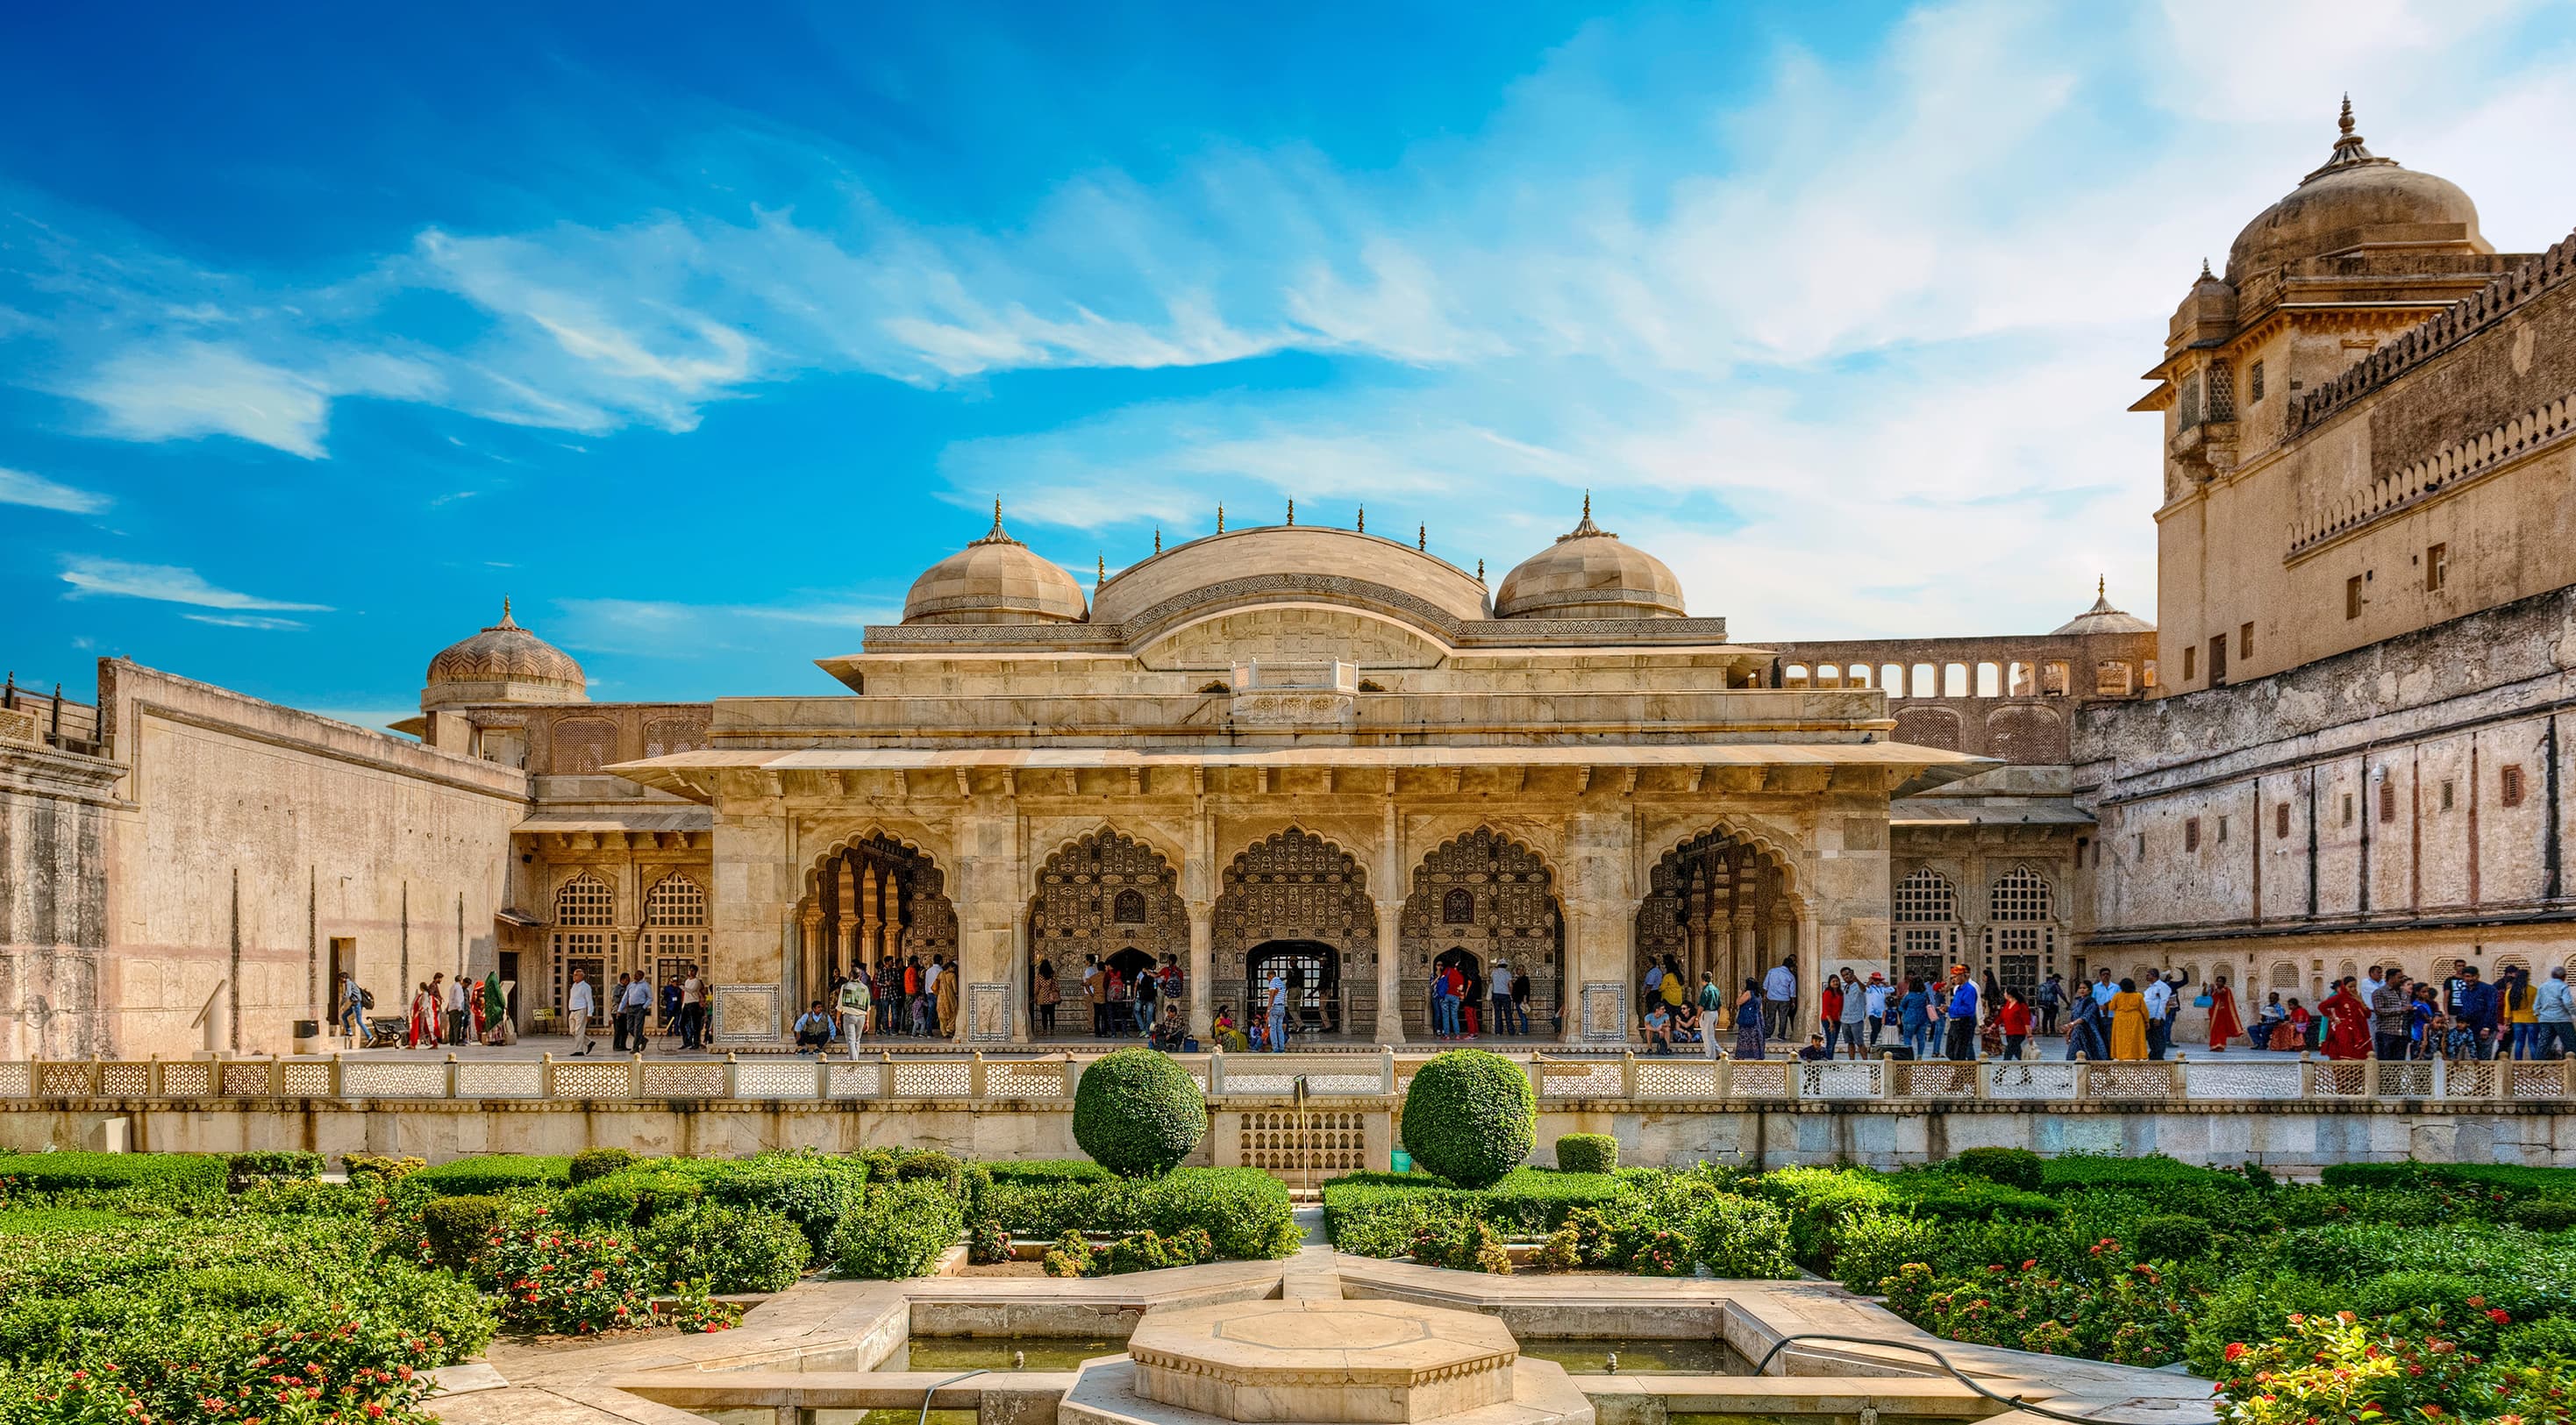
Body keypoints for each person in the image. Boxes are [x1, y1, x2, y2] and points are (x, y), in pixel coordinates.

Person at [2320, 977, 2373, 1059]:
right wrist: (2332, 1018)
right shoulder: (2339, 997)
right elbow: (2322, 1006)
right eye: (2350, 987)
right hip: (2345, 1030)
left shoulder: (2356, 998)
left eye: (2355, 986)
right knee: (2346, 1053)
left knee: (2361, 1055)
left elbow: (2368, 1015)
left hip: (2360, 1030)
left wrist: (2361, 1001)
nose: (2353, 989)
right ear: (2344, 987)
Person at [2456, 965, 2497, 1059]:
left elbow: (2491, 1009)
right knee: (2473, 1057)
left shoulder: (2488, 989)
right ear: (2463, 977)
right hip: (2471, 1030)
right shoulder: (2464, 993)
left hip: (2486, 1029)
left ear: (2477, 976)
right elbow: (2465, 1011)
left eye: (2473, 976)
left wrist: (2486, 1028)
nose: (2470, 979)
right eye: (2467, 976)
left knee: (2484, 1058)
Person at [2372, 971, 2414, 1061]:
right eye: (2399, 977)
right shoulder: (2379, 992)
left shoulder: (2404, 993)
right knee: (2385, 1064)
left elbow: (2407, 1009)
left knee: (2398, 1065)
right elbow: (2380, 1011)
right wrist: (2401, 1010)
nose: (2402, 980)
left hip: (2402, 1034)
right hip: (2386, 1033)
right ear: (2391, 978)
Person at [2535, 965, 2575, 1059]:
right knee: (2571, 1044)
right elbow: (2568, 1002)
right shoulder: (2563, 986)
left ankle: (2537, 1068)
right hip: (2562, 1019)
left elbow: (2537, 1004)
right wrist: (2574, 1012)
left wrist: (2539, 1014)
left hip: (2545, 1020)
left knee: (2543, 1045)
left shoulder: (2542, 987)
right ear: (2564, 976)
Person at [1943, 965, 1980, 1061]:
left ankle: (1964, 1073)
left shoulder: (1969, 990)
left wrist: (1950, 1009)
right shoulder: (1958, 989)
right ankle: (1961, 1072)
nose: (1953, 980)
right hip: (1954, 1023)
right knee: (1950, 1051)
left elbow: (1968, 1009)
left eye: (1955, 977)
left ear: (1962, 976)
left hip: (1963, 1023)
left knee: (1960, 1052)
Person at [2108, 978, 2149, 1060]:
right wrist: (2146, 1021)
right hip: (2135, 1018)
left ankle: (2121, 1055)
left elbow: (2111, 1007)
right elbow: (2144, 1010)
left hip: (2120, 1019)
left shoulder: (2117, 996)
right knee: (2135, 1038)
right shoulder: (2138, 996)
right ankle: (2136, 1055)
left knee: (2121, 1038)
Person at [2064, 980, 2107, 1060]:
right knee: (2074, 1053)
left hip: (2089, 1032)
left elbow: (2085, 1017)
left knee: (2091, 1054)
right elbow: (2074, 1016)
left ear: (2089, 990)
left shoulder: (2091, 1002)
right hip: (2077, 1031)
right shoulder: (2078, 1002)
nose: (2082, 990)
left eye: (2084, 988)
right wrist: (2069, 1031)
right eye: (2080, 988)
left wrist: (2071, 1025)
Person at [2504, 965, 2538, 1060]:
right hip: (2533, 1020)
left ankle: (2518, 1065)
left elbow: (2507, 1009)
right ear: (2527, 978)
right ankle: (2536, 1066)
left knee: (2519, 1043)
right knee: (2533, 1043)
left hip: (2517, 1021)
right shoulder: (2534, 990)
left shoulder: (2510, 991)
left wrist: (2506, 1023)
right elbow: (2538, 1006)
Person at [837, 967, 872, 1056]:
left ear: (851, 975)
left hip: (849, 1016)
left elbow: (840, 1005)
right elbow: (867, 1007)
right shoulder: (865, 988)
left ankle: (854, 1064)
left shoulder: (845, 987)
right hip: (861, 1017)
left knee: (851, 1041)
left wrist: (838, 1019)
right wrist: (867, 1021)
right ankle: (856, 1062)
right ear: (860, 976)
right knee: (857, 1040)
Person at [2206, 973, 2244, 1052]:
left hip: (2222, 1014)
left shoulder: (2226, 989)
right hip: (2213, 1014)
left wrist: (2214, 988)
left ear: (2224, 983)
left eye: (2220, 981)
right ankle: (2214, 1046)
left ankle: (2221, 1045)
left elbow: (2220, 992)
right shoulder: (2213, 990)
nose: (2218, 983)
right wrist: (2205, 987)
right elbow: (2205, 995)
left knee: (2221, 1030)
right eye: (2217, 981)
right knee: (2214, 1030)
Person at [1732, 977, 1767, 1060]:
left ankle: (1741, 1055)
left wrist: (1741, 993)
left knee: (1744, 1037)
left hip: (1748, 1019)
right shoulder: (1758, 994)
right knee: (1755, 1038)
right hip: (1757, 1019)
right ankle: (1757, 1055)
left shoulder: (1748, 993)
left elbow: (1738, 1002)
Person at [2141, 970, 2173, 1059]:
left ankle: (2158, 1056)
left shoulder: (2162, 987)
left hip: (2156, 1017)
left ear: (2154, 975)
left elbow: (2163, 1002)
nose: (2146, 977)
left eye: (2148, 975)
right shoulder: (2150, 987)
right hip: (2149, 1016)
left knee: (2158, 1037)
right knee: (2151, 1038)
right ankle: (2153, 1056)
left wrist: (2158, 1017)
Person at [1763, 958, 1797, 1040]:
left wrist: (1765, 995)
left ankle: (1768, 1034)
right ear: (1790, 966)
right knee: (1783, 1017)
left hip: (1772, 998)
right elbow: (1792, 991)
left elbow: (1765, 984)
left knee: (1771, 1016)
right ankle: (1781, 1035)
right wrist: (1793, 1002)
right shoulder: (1790, 975)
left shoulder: (1772, 971)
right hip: (1784, 999)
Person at [1898, 976, 1931, 1058]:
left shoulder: (1909, 995)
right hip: (1923, 1018)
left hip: (1910, 1018)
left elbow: (1901, 1006)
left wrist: (1905, 1012)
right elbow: (1930, 1004)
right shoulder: (1925, 994)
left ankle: (1909, 1056)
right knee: (1921, 1038)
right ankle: (1920, 1056)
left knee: (1907, 1037)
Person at [1837, 968, 1867, 1058]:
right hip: (1845, 1019)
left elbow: (1864, 989)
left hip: (1856, 1019)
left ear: (1852, 974)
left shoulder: (1857, 985)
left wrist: (1856, 979)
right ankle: (1852, 1063)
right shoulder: (1845, 987)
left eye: (1847, 974)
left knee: (1860, 1042)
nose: (1846, 977)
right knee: (1850, 1043)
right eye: (1843, 975)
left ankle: (1867, 1064)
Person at [1996, 987, 2031, 1060]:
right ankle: (2025, 1070)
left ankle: (2002, 1070)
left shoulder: (2021, 1006)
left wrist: (2029, 1035)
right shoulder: (2008, 1004)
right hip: (2009, 1033)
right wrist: (1993, 1026)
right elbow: (2001, 1017)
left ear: (2010, 995)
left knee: (2008, 1052)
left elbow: (2026, 1022)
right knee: (2018, 1053)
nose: (2004, 994)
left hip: (2018, 1033)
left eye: (2005, 992)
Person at [567, 967, 596, 1056]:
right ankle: (589, 1042)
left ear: (581, 976)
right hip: (573, 1011)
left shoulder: (586, 987)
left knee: (579, 1031)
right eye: (574, 975)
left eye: (576, 975)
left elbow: (589, 1001)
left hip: (581, 1010)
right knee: (573, 1031)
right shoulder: (574, 986)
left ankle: (579, 1050)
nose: (574, 977)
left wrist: (590, 1013)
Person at [483, 972, 515, 1046]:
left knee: (490, 1024)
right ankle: (498, 1039)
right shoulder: (495, 982)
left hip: (489, 1009)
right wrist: (504, 1004)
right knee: (498, 1024)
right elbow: (499, 995)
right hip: (496, 1008)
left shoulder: (487, 985)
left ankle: (491, 1039)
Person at [1266, 963, 1290, 1052]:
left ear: (1270, 976)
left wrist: (1268, 1009)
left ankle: (1275, 1049)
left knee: (1273, 1029)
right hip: (1282, 1008)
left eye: (1268, 978)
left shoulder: (1273, 981)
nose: (1268, 980)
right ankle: (1282, 1048)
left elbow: (1272, 995)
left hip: (1275, 1007)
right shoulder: (1281, 983)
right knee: (1280, 1029)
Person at [680, 966, 706, 1051]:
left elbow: (691, 991)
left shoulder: (697, 981)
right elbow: (686, 994)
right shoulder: (687, 981)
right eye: (690, 970)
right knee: (682, 1024)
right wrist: (683, 1004)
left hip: (694, 1003)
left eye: (693, 971)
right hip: (687, 1004)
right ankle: (687, 1042)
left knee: (695, 1025)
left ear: (696, 972)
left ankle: (696, 1043)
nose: (691, 972)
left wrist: (682, 987)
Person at [1819, 974, 1845, 1058]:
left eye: (1837, 981)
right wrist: (1831, 1023)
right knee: (1831, 1041)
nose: (1835, 983)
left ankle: (1830, 1059)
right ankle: (1828, 1060)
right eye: (1833, 981)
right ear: (1830, 983)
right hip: (1828, 1020)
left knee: (1833, 1041)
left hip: (1837, 1020)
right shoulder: (1828, 993)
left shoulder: (1840, 993)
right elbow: (1826, 1009)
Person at [935, 953, 959, 1038]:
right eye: (954, 968)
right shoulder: (952, 976)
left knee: (942, 1016)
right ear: (950, 967)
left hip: (941, 997)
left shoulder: (941, 974)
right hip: (949, 997)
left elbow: (935, 986)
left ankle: (944, 1032)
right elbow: (955, 989)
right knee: (953, 1013)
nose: (954, 969)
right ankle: (949, 1029)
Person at [1430, 963, 1457, 1040]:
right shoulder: (1433, 975)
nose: (1440, 966)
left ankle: (1444, 1029)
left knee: (1444, 1014)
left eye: (1441, 965)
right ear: (1435, 966)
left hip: (1444, 996)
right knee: (1437, 1013)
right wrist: (1438, 977)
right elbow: (1431, 984)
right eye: (1438, 965)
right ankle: (1437, 1029)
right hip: (1435, 996)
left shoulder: (1445, 975)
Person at [1864, 972, 1890, 1049]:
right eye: (1875, 980)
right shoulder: (1870, 989)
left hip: (1881, 1012)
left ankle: (1873, 1044)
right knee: (1875, 1028)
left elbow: (1891, 989)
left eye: (1878, 980)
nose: (1877, 982)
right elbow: (1865, 989)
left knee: (1878, 1029)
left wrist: (1884, 983)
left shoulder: (1882, 988)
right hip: (1872, 1012)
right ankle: (1872, 1045)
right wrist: (1869, 982)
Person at [406, 980, 436, 1049]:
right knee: (422, 1029)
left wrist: (418, 1012)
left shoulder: (425, 994)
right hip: (423, 1015)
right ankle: (413, 1043)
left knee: (429, 1028)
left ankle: (434, 1043)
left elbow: (424, 1004)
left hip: (426, 1015)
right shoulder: (423, 994)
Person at [1034, 959, 1060, 1037]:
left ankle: (1045, 1030)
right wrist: (1058, 993)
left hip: (1042, 997)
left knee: (1044, 1015)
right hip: (1051, 997)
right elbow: (1056, 986)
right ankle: (1052, 1030)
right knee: (1052, 1015)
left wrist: (1035, 996)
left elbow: (1037, 987)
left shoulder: (1039, 975)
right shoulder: (1052, 974)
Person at [1134, 958, 1160, 1036]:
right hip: (1151, 998)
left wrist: (1134, 996)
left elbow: (1136, 985)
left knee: (1136, 1011)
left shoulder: (1141, 973)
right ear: (1153, 966)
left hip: (1141, 997)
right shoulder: (1155, 974)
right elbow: (1160, 983)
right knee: (1150, 1015)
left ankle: (1143, 1029)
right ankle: (1148, 1032)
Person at [2035, 973, 2064, 1037]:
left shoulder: (2044, 985)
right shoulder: (2055, 985)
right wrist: (2067, 1002)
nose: (2059, 981)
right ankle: (2052, 1032)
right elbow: (2061, 994)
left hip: (2044, 1003)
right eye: (2059, 979)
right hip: (2052, 1003)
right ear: (2056, 978)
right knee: (2052, 1017)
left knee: (2045, 1017)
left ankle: (2044, 1032)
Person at [1510, 958, 1533, 1035]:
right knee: (1521, 1015)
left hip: (1521, 1000)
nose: (1518, 971)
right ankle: (1524, 1029)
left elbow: (1525, 990)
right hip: (1518, 999)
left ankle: (1524, 1030)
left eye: (1520, 969)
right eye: (1518, 969)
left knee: (1522, 1015)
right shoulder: (1519, 979)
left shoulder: (1524, 979)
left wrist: (1525, 999)